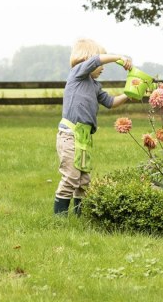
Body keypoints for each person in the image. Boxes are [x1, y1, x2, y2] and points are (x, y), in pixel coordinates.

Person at [53, 38, 132, 216]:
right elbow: (96, 61)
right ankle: (59, 219)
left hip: (84, 136)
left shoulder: (95, 86)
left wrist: (130, 93)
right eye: (101, 60)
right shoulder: (77, 74)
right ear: (87, 58)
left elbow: (111, 102)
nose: (103, 67)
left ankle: (79, 215)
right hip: (70, 134)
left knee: (83, 180)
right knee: (71, 177)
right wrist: (118, 57)